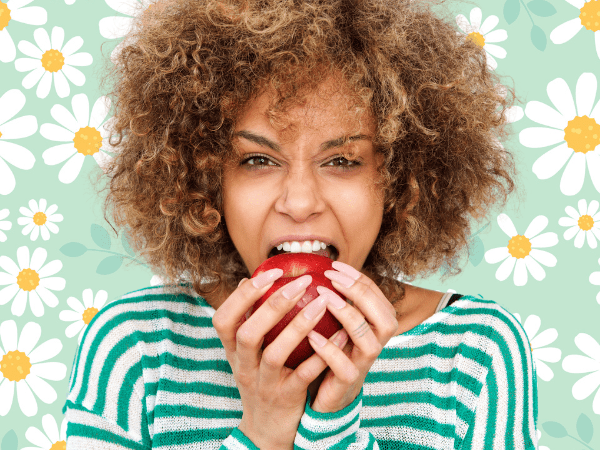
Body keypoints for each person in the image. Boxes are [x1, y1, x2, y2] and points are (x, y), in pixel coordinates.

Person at [62, 0, 539, 448]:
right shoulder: (135, 347)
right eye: (256, 159)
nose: (299, 201)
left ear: (398, 178)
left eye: (342, 160)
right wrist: (264, 431)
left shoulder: (473, 352)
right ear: (206, 180)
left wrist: (335, 426)